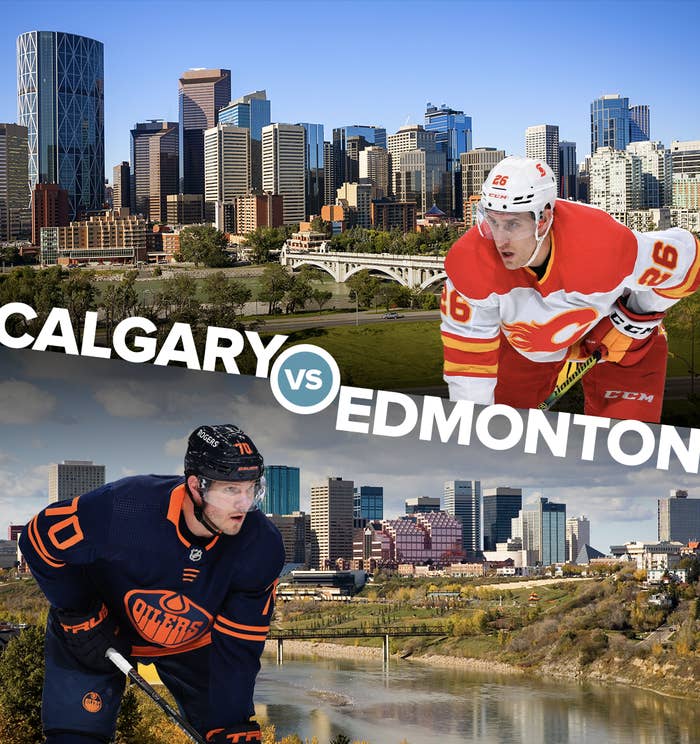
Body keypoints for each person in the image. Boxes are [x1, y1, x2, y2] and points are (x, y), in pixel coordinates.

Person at [19, 424, 285, 744]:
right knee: (75, 737)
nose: (244, 504)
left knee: (230, 732)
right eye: (230, 490)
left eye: (251, 489)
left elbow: (239, 644)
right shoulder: (124, 508)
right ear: (195, 486)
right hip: (101, 626)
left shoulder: (262, 545)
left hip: (194, 642)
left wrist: (231, 716)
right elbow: (38, 537)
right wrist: (78, 610)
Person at [441, 155, 700, 422]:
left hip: (614, 338)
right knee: (500, 437)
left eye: (513, 224)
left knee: (629, 449)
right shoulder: (468, 263)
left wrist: (633, 318)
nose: (499, 239)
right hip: (530, 347)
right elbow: (468, 367)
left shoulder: (604, 244)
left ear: (543, 219)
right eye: (492, 221)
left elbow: (690, 261)